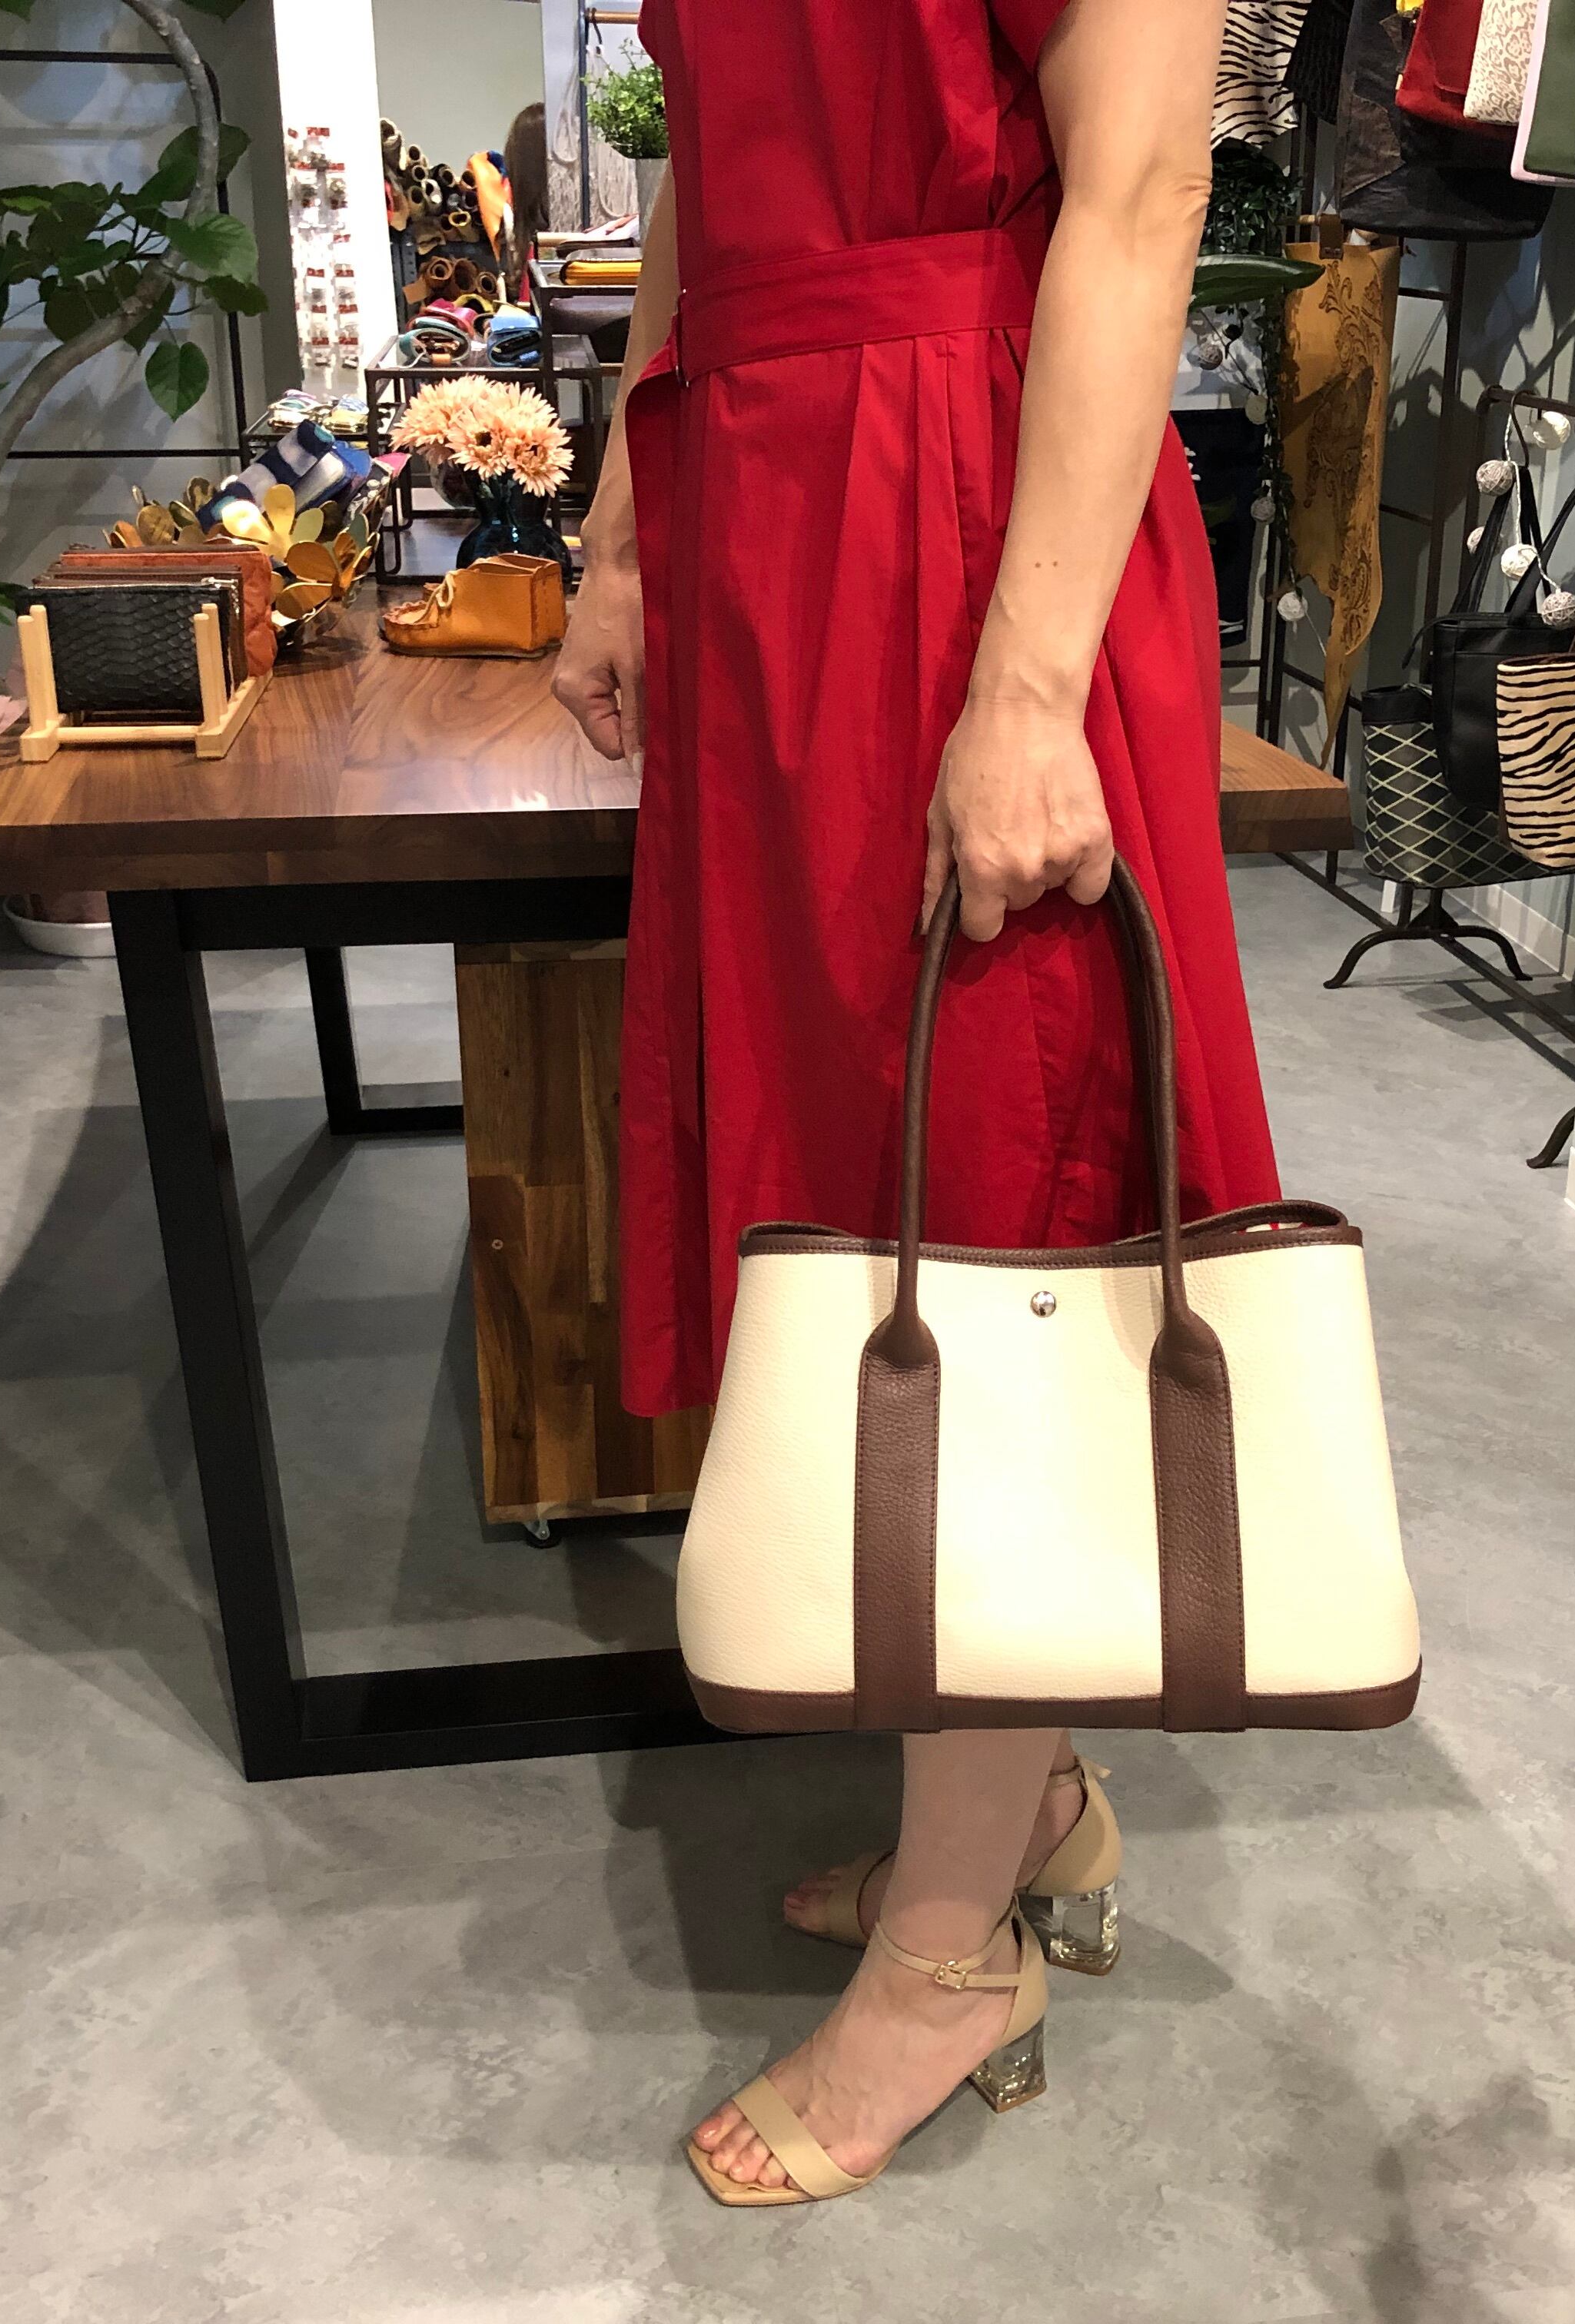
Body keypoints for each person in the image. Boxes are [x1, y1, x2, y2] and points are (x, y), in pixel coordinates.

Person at [551, 0, 1275, 2206]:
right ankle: (1023, 1810)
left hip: (963, 521)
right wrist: (624, 532)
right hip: (769, 502)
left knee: (991, 1221)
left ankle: (957, 1962)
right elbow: (703, 176)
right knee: (853, 1207)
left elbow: (1141, 181)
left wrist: (1032, 688)